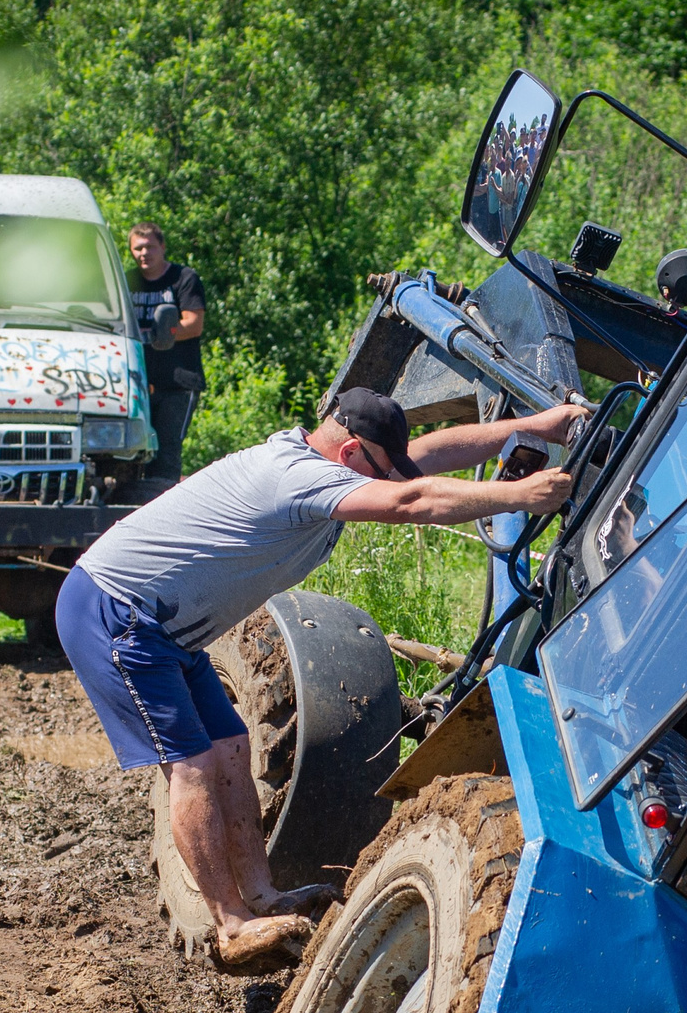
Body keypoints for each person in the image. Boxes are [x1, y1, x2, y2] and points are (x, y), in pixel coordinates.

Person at [58, 385, 585, 965]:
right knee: (193, 764)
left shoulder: (323, 459)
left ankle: (260, 897)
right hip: (116, 614)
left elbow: (426, 458)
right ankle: (229, 924)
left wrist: (539, 426)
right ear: (352, 451)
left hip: (168, 628)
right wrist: (516, 494)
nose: (385, 478)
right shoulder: (295, 477)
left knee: (232, 745)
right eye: (379, 468)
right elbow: (409, 499)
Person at [126, 223, 206, 486]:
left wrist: (153, 335)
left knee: (166, 451)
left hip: (178, 383)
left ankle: (160, 510)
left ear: (162, 247)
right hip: (136, 383)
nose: (144, 253)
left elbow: (193, 324)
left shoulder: (183, 278)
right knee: (130, 450)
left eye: (149, 246)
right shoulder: (126, 280)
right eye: (138, 248)